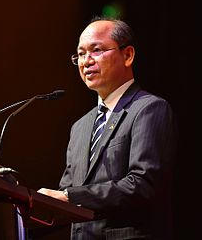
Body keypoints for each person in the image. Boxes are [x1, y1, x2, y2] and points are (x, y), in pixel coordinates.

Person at [38, 17, 177, 240]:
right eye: (81, 54)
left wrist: (70, 197)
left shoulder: (149, 109)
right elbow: (66, 192)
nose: (86, 61)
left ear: (128, 55)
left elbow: (142, 184)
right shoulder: (80, 127)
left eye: (96, 50)